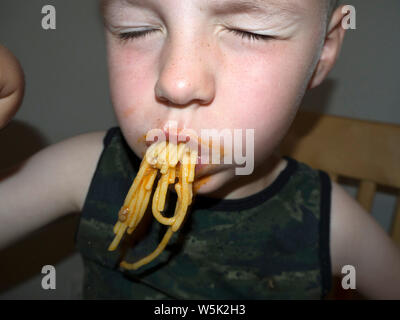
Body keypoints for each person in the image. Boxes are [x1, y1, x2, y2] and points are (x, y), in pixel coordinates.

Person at [1, 0, 399, 299]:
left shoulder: (329, 225)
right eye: (133, 29)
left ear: (322, 52)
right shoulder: (84, 170)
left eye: (251, 32)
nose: (177, 82)